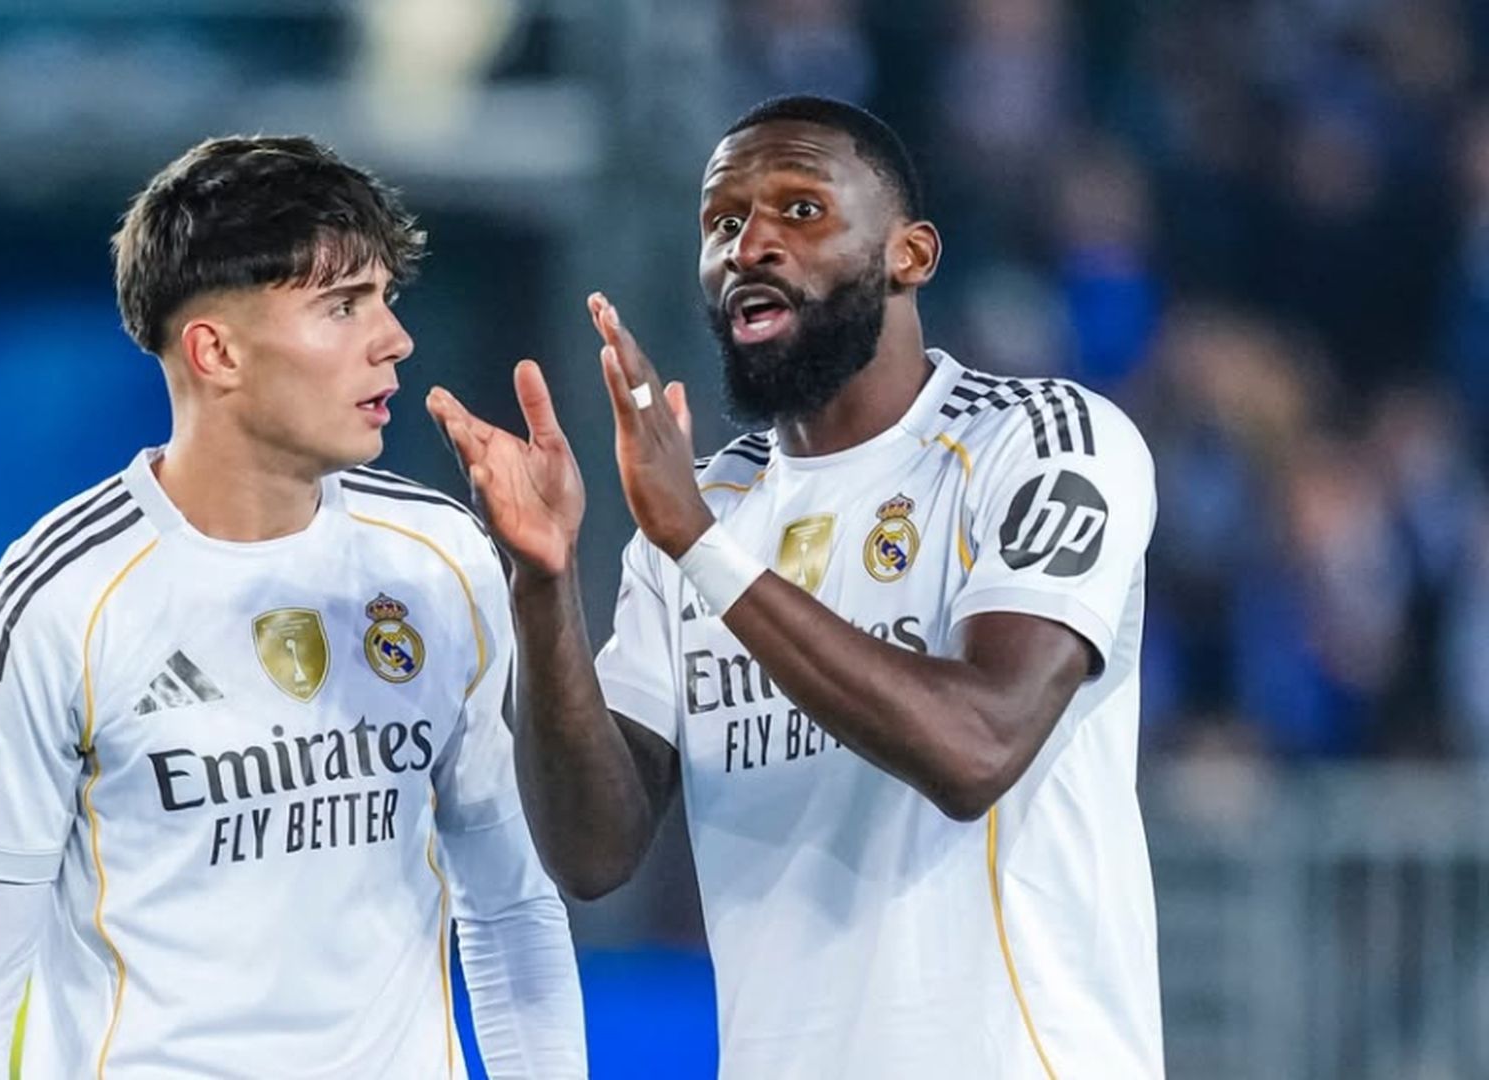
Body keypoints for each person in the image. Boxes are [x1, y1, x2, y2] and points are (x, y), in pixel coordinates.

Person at [430, 95, 1163, 1078]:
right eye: (722, 222)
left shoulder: (1040, 442)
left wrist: (697, 543)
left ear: (911, 254)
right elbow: (595, 852)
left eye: (800, 211)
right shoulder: (710, 510)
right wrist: (543, 585)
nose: (748, 246)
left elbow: (978, 747)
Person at [0, 135, 586, 1080]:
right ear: (215, 350)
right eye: (343, 306)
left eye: (386, 300)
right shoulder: (57, 602)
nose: (394, 338)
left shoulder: (442, 559)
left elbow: (511, 904)